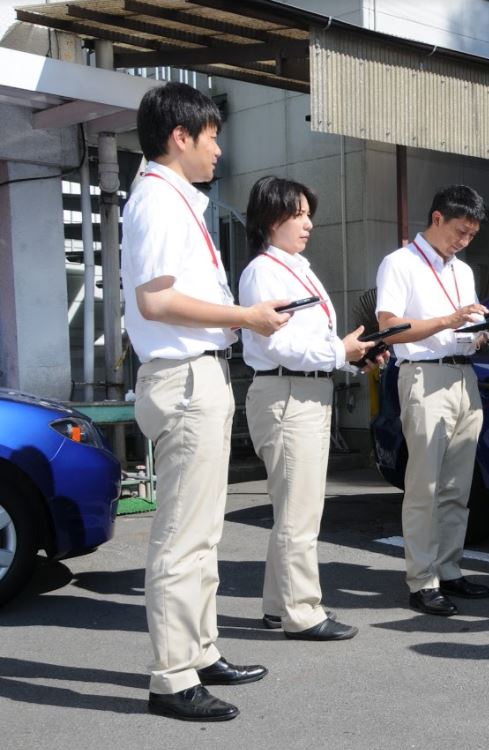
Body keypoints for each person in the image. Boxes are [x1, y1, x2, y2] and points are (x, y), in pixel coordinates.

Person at [123, 82, 290, 722]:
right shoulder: (160, 201)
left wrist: (237, 321)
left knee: (202, 531)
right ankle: (171, 677)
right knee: (181, 536)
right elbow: (156, 301)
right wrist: (245, 314)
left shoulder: (174, 197)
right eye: (212, 135)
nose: (220, 148)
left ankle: (200, 651)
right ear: (180, 137)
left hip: (199, 374)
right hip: (185, 378)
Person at [240, 176, 381, 642]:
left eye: (307, 213)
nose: (308, 223)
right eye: (297, 214)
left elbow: (314, 341)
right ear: (271, 218)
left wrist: (351, 352)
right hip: (286, 393)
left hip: (304, 392)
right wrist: (341, 352)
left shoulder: (296, 267)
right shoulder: (264, 271)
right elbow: (281, 344)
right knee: (299, 512)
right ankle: (303, 613)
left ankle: (278, 607)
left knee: (295, 509)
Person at [376, 185, 489, 617]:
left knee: (458, 486)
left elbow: (464, 325)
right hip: (424, 375)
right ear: (437, 218)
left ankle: (450, 568)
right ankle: (422, 581)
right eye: (460, 231)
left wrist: (479, 333)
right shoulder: (400, 263)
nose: (464, 241)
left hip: (464, 375)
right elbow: (389, 328)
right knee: (424, 485)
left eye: (472, 235)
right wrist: (449, 320)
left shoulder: (462, 270)